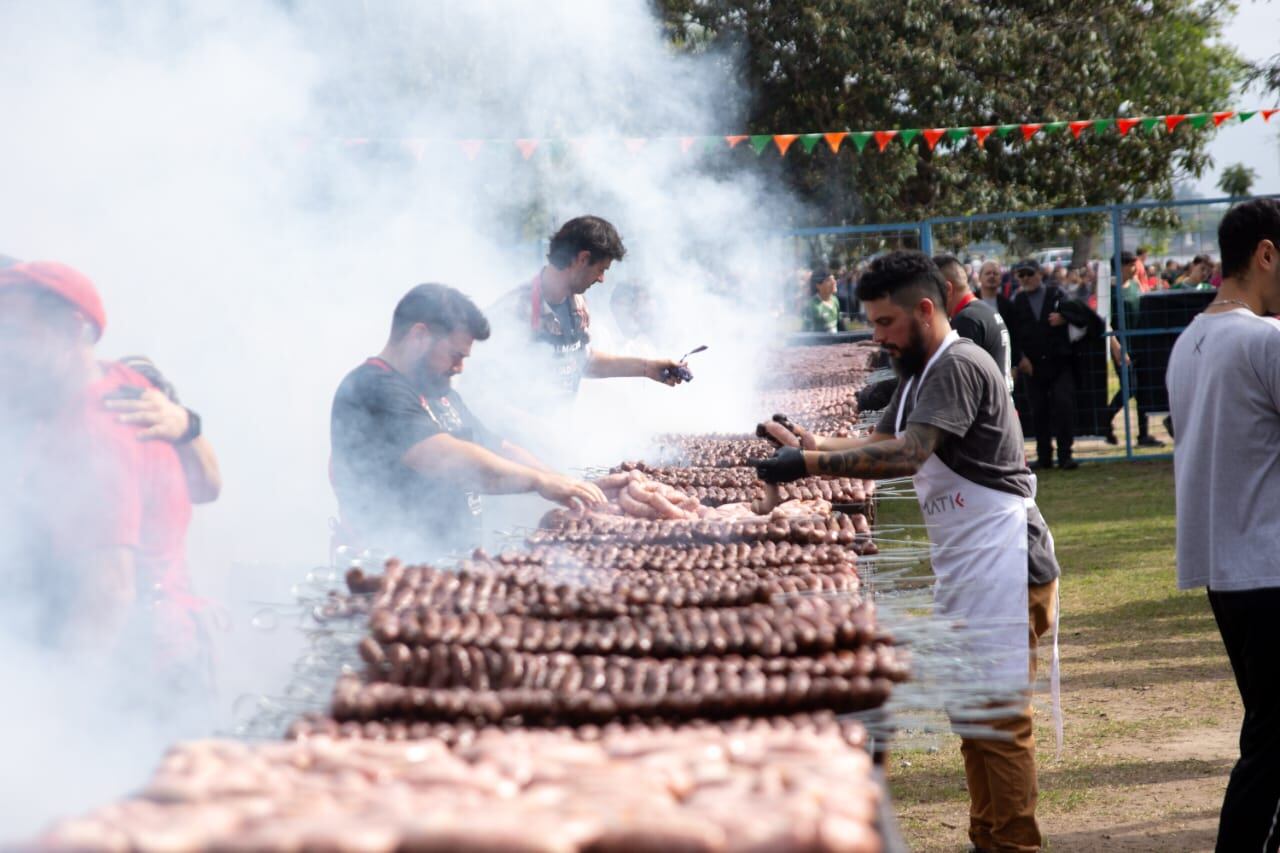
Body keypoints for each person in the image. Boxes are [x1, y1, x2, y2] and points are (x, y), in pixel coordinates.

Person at [752, 250, 1061, 853]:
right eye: (870, 323)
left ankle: (1013, 845)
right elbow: (880, 439)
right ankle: (989, 839)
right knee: (976, 719)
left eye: (884, 322)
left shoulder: (958, 365)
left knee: (998, 720)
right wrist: (811, 443)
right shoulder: (921, 371)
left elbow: (907, 454)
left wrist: (809, 464)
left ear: (925, 309)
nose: (877, 336)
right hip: (969, 557)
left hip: (1003, 558)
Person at [0, 261, 205, 687]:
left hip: (137, 675)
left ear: (73, 330)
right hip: (162, 652)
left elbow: (107, 594)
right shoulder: (115, 380)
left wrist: (56, 714)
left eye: (15, 336)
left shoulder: (97, 427)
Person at [330, 283, 605, 562]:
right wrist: (539, 481)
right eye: (456, 355)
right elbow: (446, 457)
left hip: (446, 564)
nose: (460, 368)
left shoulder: (439, 391)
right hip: (390, 571)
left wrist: (563, 482)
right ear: (419, 336)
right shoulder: (373, 387)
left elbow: (498, 447)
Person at [1166, 197, 1280, 853]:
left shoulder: (1192, 339)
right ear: (1266, 254)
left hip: (1228, 568)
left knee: (1268, 728)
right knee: (1273, 745)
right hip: (1268, 562)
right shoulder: (1262, 339)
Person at [490, 216, 687, 400]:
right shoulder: (512, 312)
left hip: (557, 434)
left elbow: (580, 361)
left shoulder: (578, 305)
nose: (602, 279)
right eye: (601, 269)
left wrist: (647, 368)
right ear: (583, 259)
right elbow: (484, 398)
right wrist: (538, 431)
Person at [1007, 259, 1078, 470]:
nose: (1026, 278)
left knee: (1064, 406)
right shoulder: (1016, 300)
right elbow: (1011, 334)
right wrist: (1020, 358)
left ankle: (1066, 455)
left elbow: (1079, 313)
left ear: (1040, 273)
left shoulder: (1058, 294)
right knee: (1038, 411)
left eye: (1030, 273)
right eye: (1022, 275)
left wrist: (1064, 317)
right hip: (1032, 366)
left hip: (1059, 362)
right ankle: (1044, 456)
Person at [1104, 251, 1162, 447]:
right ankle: (1105, 419)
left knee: (1143, 391)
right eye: (1131, 265)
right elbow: (1106, 323)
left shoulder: (1136, 285)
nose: (1134, 268)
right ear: (1121, 266)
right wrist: (1117, 348)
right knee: (1130, 387)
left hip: (1141, 345)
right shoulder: (1111, 292)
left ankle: (1143, 435)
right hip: (1123, 346)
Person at [934, 254, 1013, 394]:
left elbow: (962, 385)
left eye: (932, 291)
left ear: (947, 289)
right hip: (1002, 406)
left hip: (989, 411)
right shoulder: (983, 311)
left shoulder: (966, 320)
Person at [804, 268, 840, 333]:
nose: (834, 282)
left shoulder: (835, 300)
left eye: (834, 279)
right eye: (828, 280)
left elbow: (840, 324)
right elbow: (806, 332)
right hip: (821, 342)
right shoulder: (813, 306)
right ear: (818, 285)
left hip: (835, 342)